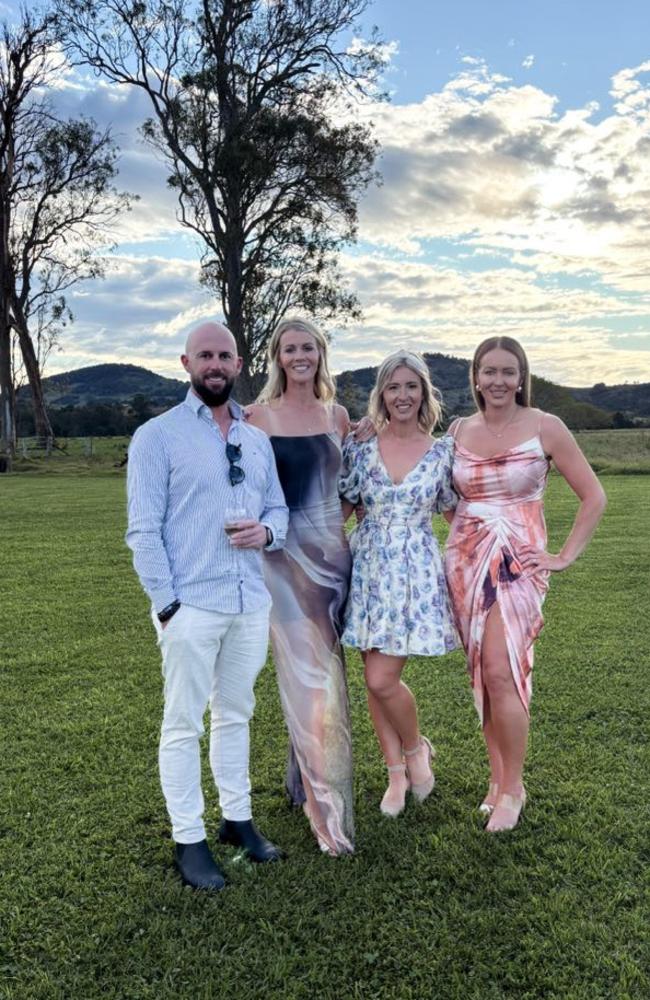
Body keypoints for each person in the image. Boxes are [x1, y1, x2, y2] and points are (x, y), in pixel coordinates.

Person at [126, 321, 289, 890]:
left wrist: (266, 534)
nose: (214, 364)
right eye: (204, 356)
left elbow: (278, 511)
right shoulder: (157, 436)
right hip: (191, 605)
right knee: (182, 724)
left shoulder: (256, 439)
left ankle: (236, 821)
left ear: (239, 363)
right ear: (186, 363)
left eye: (224, 355)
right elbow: (142, 533)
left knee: (237, 713)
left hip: (249, 601)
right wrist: (168, 606)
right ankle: (188, 840)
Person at [444, 335, 607, 832]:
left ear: (521, 378)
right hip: (466, 563)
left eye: (507, 372)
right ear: (475, 377)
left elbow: (593, 497)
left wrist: (562, 556)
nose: (497, 381)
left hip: (518, 564)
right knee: (483, 677)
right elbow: (445, 495)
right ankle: (496, 780)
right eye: (488, 371)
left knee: (501, 669)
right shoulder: (456, 429)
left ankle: (513, 788)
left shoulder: (546, 427)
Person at [245, 316, 357, 855]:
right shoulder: (256, 417)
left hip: (333, 563)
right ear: (277, 356)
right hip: (282, 564)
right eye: (289, 348)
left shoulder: (337, 415)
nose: (299, 356)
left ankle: (301, 777)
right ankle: (323, 802)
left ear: (320, 353)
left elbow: (351, 485)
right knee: (304, 676)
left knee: (327, 673)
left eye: (308, 347)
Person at [338, 351, 459, 819]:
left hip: (414, 573)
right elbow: (344, 507)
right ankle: (394, 771)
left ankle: (415, 749)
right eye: (393, 387)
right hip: (367, 567)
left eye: (412, 386)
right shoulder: (360, 447)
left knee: (380, 677)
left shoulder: (442, 451)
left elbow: (455, 514)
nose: (403, 395)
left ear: (424, 393)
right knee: (374, 676)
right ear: (382, 395)